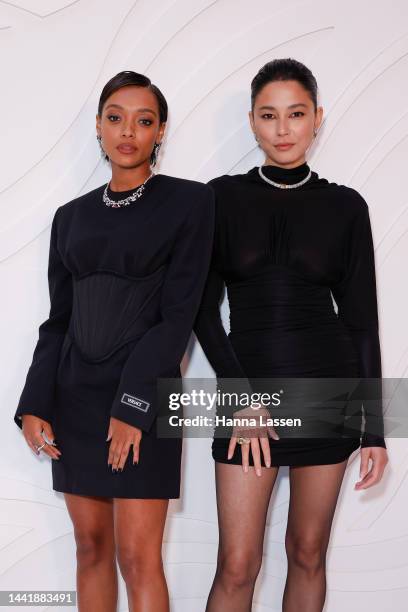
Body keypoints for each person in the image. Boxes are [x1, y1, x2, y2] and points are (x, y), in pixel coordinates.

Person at [14, 70, 214, 612]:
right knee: (91, 547)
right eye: (115, 117)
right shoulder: (69, 218)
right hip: (75, 398)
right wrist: (33, 404)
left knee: (138, 556)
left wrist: (133, 404)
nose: (128, 131)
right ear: (99, 127)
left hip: (144, 396)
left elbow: (178, 318)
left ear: (160, 132)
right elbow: (58, 322)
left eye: (143, 121)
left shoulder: (189, 204)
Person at [193, 58, 389, 612]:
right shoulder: (219, 199)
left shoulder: (347, 207)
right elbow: (203, 313)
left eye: (296, 114)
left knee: (307, 553)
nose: (283, 129)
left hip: (327, 397)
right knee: (237, 565)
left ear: (317, 119)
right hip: (246, 397)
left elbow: (362, 324)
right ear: (252, 123)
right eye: (269, 115)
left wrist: (374, 431)